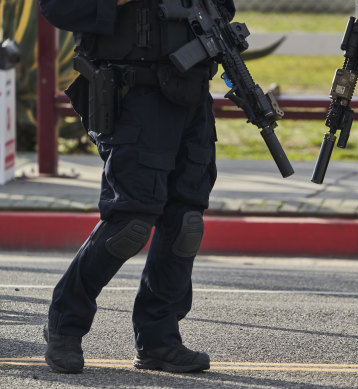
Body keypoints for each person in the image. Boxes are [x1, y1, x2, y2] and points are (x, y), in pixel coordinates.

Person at [39, 0, 235, 374]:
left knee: (185, 223)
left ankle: (159, 340)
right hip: (133, 98)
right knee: (130, 224)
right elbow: (57, 8)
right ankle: (64, 326)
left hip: (190, 97)